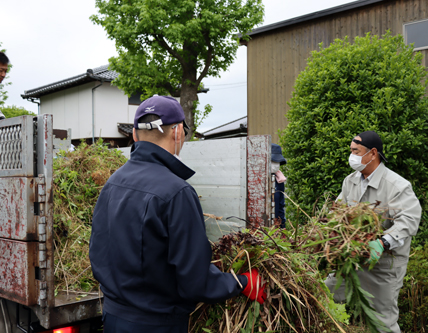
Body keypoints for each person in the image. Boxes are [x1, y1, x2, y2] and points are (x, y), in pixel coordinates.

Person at [89, 95, 266, 333]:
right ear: (177, 132)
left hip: (112, 318)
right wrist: (241, 282)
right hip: (157, 325)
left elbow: (98, 251)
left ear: (134, 134)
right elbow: (195, 281)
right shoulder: (176, 192)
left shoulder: (113, 183)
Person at [325, 131, 421, 333]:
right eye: (351, 150)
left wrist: (383, 243)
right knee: (324, 296)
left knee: (382, 321)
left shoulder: (397, 186)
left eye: (355, 151)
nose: (351, 156)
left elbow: (409, 221)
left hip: (383, 265)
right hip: (351, 259)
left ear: (373, 153)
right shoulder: (350, 181)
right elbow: (338, 212)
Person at [271, 143, 287, 228]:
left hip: (275, 226)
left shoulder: (279, 180)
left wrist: (282, 227)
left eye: (277, 162)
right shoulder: (256, 179)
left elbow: (281, 205)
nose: (275, 165)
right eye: (273, 161)